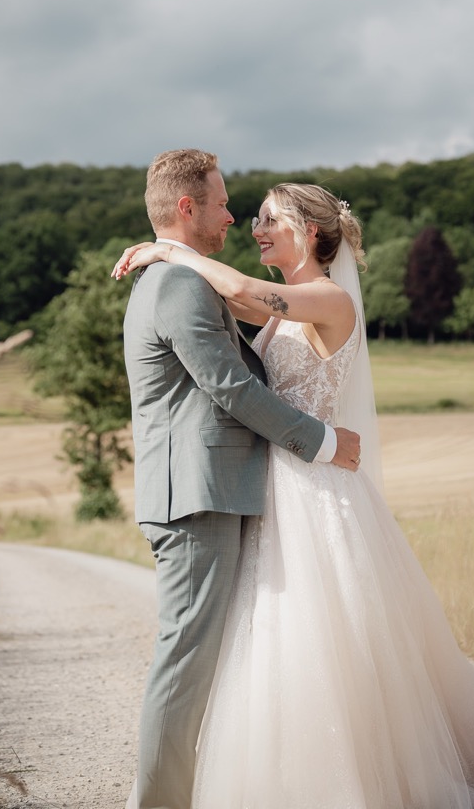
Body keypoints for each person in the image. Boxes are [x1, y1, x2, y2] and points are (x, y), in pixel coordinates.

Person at [114, 182, 474, 809]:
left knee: (328, 635)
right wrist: (170, 257)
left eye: (269, 220)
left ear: (310, 232)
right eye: (251, 217)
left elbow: (237, 293)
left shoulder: (327, 299)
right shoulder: (286, 308)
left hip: (315, 485)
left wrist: (166, 252)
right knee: (276, 640)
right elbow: (234, 314)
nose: (254, 228)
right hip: (278, 484)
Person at [117, 151, 361, 809]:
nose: (235, 217)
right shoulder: (177, 285)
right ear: (187, 207)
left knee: (218, 661)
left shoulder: (186, 279)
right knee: (186, 663)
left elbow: (250, 308)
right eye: (225, 203)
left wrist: (168, 253)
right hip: (196, 497)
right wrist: (323, 440)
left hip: (215, 491)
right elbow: (227, 386)